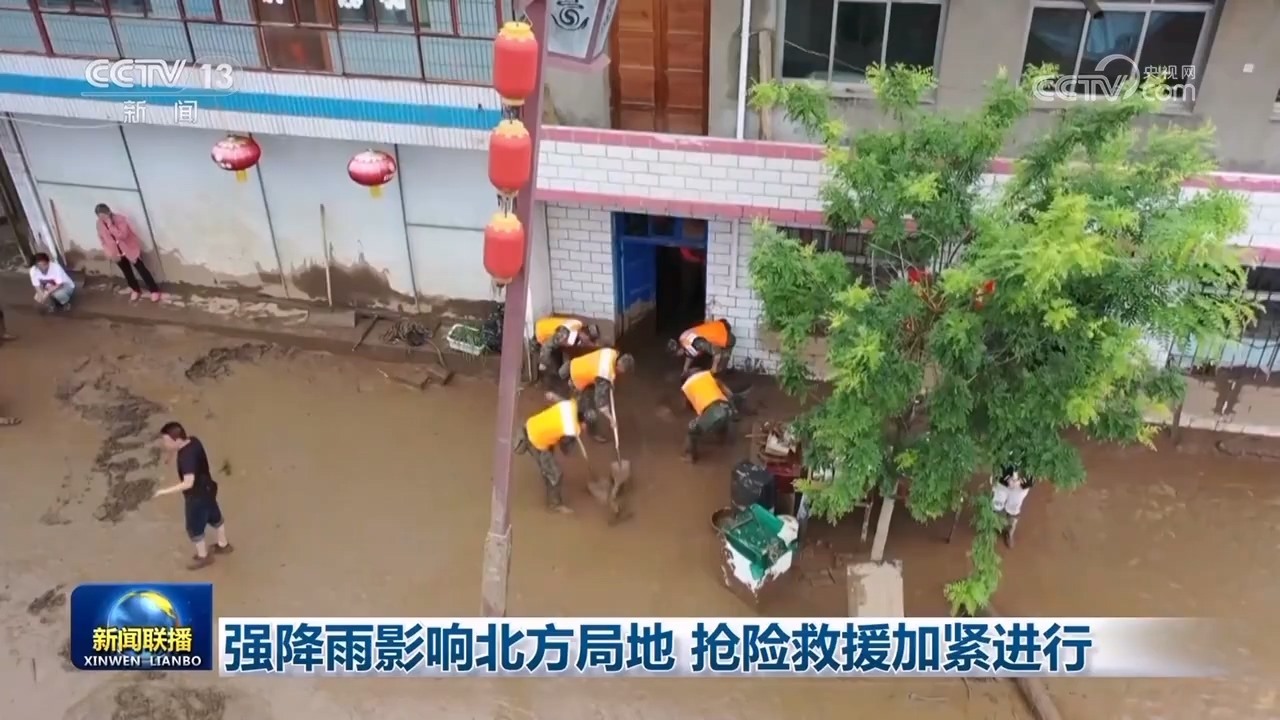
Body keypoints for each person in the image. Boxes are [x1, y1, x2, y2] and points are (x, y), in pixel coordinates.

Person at [154, 422, 233, 569]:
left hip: (196, 497)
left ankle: (203, 557)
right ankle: (224, 545)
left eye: (166, 441)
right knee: (215, 516)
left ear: (177, 440)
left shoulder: (186, 458)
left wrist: (164, 491)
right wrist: (170, 456)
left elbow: (188, 483)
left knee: (194, 528)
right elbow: (178, 448)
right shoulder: (193, 441)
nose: (164, 444)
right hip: (208, 488)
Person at [514, 393, 587, 513]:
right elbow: (565, 449)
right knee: (556, 474)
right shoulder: (571, 428)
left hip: (531, 426)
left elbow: (559, 401)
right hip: (536, 442)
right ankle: (554, 504)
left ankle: (547, 474)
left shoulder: (569, 405)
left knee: (549, 460)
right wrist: (577, 431)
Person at [559, 347, 635, 443]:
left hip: (574, 365)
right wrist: (611, 419)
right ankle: (588, 430)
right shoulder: (604, 374)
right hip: (575, 379)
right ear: (621, 367)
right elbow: (601, 404)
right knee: (591, 412)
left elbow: (604, 372)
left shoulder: (611, 353)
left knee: (587, 398)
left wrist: (609, 381)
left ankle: (578, 414)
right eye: (623, 371)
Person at [96, 203, 161, 302]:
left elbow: (122, 235)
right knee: (127, 272)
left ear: (109, 212)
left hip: (129, 249)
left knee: (141, 269)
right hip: (115, 252)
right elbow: (102, 238)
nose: (102, 219)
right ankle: (135, 289)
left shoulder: (120, 219)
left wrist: (110, 225)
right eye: (100, 217)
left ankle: (154, 290)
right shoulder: (99, 224)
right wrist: (107, 250)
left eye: (104, 216)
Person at [680, 369, 737, 463]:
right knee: (722, 418)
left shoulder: (687, 386)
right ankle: (722, 440)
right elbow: (729, 393)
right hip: (728, 409)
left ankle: (689, 456)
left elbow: (687, 406)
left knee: (692, 430)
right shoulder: (708, 376)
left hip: (713, 412)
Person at [534, 315, 599, 382]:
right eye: (589, 339)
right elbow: (547, 346)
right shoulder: (564, 334)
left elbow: (569, 346)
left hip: (553, 334)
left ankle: (559, 375)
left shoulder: (577, 326)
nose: (586, 342)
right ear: (585, 334)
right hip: (539, 333)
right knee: (550, 365)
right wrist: (543, 362)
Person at [669, 318, 735, 376]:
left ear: (679, 350)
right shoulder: (684, 339)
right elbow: (689, 354)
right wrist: (685, 370)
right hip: (719, 332)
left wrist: (714, 368)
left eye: (676, 354)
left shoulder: (698, 343)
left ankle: (725, 371)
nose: (677, 356)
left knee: (718, 371)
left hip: (726, 339)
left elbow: (717, 352)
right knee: (711, 368)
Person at [992, 465, 1034, 549]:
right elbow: (997, 463)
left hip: (1021, 486)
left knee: (1013, 509)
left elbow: (1035, 469)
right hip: (1002, 482)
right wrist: (1007, 478)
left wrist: (1027, 482)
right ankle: (992, 525)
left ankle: (1009, 533)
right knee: (996, 505)